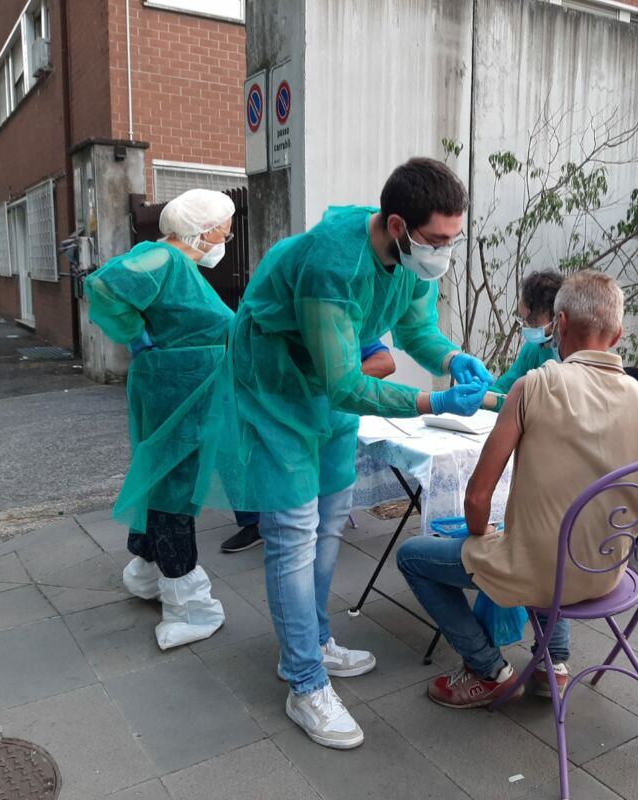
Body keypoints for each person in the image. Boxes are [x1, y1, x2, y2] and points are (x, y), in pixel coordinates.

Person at [231, 157, 494, 750]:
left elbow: (417, 331)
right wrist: (434, 397)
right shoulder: (333, 262)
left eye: (454, 239)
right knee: (295, 532)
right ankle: (304, 682)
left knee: (329, 523)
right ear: (398, 226)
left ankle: (314, 639)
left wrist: (453, 359)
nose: (444, 254)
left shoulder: (409, 262)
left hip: (325, 382)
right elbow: (346, 384)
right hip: (275, 382)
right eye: (437, 240)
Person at [397, 271, 638, 707]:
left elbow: (477, 498)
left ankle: (488, 668)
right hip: (608, 568)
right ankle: (553, 665)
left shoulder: (534, 386)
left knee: (415, 557)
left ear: (558, 325)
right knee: (560, 534)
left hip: (544, 572)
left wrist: (483, 539)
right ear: (616, 335)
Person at [86, 188, 237, 650]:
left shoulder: (177, 266)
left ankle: (148, 569)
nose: (228, 235)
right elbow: (105, 285)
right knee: (174, 487)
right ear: (206, 229)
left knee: (162, 479)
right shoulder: (165, 258)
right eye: (226, 227)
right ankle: (187, 601)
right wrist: (137, 335)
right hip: (179, 389)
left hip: (181, 385)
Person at [220, 340, 397, 554]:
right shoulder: (279, 325)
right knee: (231, 437)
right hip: (284, 410)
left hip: (329, 415)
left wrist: (332, 384)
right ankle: (255, 521)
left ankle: (296, 517)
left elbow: (386, 363)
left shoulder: (349, 323)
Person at [490, 269, 562, 397]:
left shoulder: (569, 360)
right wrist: (484, 391)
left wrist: (492, 399)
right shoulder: (532, 349)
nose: (527, 326)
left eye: (533, 321)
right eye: (523, 319)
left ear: (557, 319)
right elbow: (505, 388)